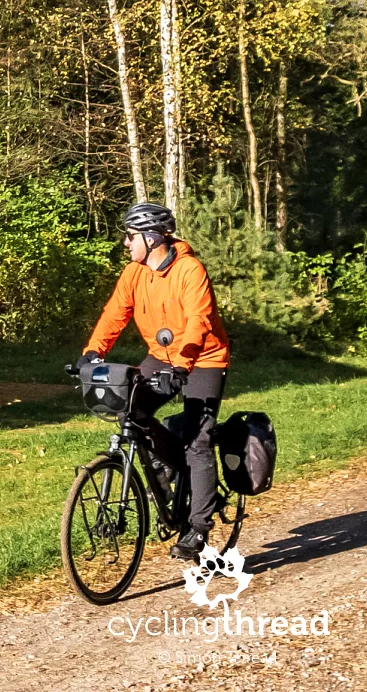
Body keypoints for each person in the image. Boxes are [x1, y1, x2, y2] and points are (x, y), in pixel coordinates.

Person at [78, 201, 230, 561]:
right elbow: (115, 313)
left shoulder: (190, 270)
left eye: (131, 237)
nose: (126, 244)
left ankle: (198, 527)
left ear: (151, 237)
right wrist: (92, 353)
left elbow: (198, 320)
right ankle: (171, 466)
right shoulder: (135, 273)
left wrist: (181, 367)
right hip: (161, 355)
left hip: (203, 358)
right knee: (132, 412)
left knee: (198, 441)